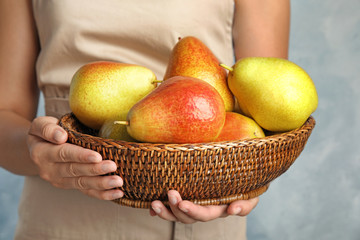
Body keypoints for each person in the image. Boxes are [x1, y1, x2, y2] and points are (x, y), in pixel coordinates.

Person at [0, 0, 290, 239]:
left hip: (199, 210)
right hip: (60, 217)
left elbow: (268, 108)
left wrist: (247, 184)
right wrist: (36, 151)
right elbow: (5, 114)